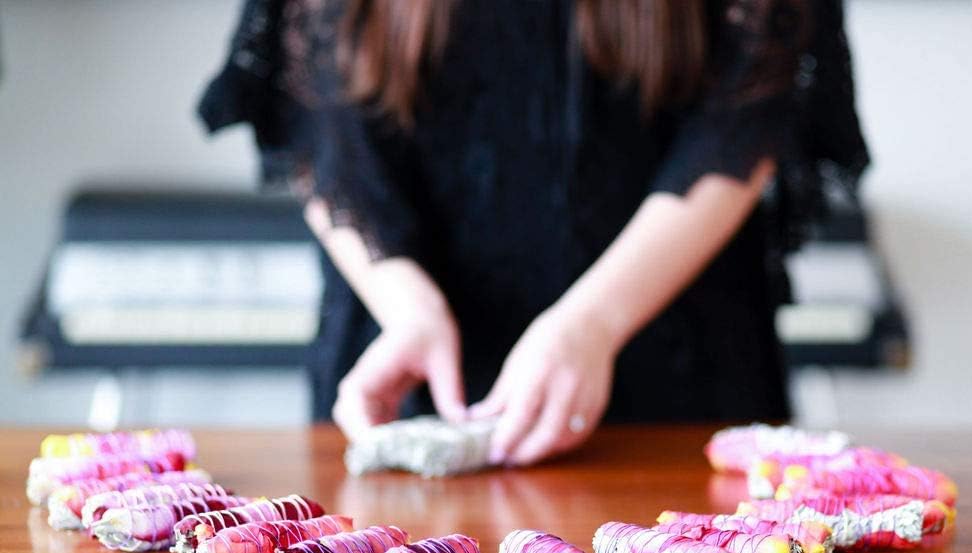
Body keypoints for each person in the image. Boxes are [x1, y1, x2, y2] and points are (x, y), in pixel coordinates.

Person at [199, 0, 868, 466]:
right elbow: (315, 114)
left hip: (679, 381)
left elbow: (747, 111)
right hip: (402, 375)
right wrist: (404, 300)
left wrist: (597, 320)